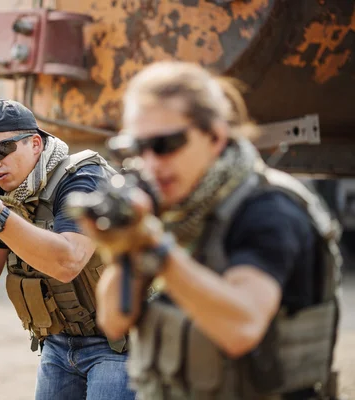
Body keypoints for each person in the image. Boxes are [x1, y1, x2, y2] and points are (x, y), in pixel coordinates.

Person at [74, 61, 343, 399]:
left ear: (215, 136)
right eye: (137, 148)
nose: (152, 163)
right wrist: (125, 246)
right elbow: (114, 320)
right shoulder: (174, 211)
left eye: (165, 144)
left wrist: (155, 247)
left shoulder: (268, 210)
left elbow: (241, 328)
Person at [0, 99, 136, 400]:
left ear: (35, 143)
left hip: (117, 345)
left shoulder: (81, 179)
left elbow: (68, 261)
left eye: (1, 150)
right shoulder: (6, 196)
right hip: (59, 345)